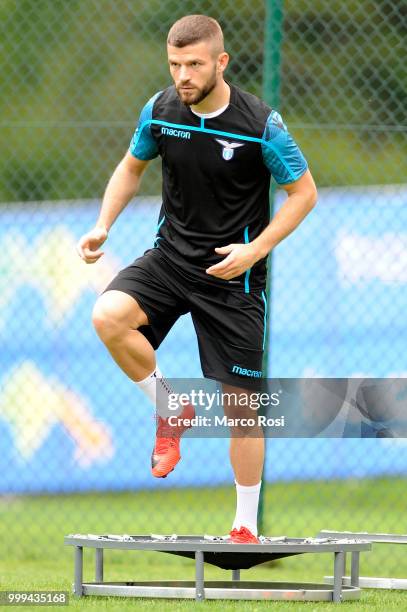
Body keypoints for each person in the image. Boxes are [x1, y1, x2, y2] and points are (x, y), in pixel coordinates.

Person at [76, 14, 317, 544]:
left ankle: (245, 525)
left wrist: (256, 249)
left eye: (193, 65)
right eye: (175, 64)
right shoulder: (161, 111)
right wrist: (102, 225)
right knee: (108, 316)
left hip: (234, 277)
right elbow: (131, 167)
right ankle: (171, 408)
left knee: (241, 407)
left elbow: (304, 193)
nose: (182, 75)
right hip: (170, 259)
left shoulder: (261, 124)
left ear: (221, 63)